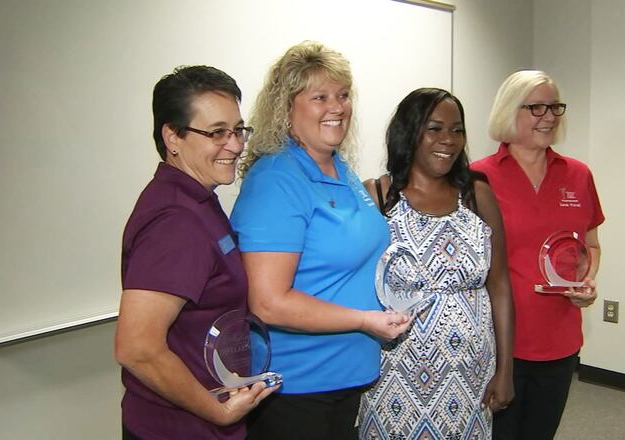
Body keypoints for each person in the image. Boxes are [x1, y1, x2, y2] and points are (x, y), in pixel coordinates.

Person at [229, 41, 411, 440]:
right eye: (320, 97)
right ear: (287, 106)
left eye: (343, 95)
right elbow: (268, 302)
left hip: (344, 376)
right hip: (296, 386)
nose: (337, 107)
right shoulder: (278, 179)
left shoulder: (337, 167)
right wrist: (365, 320)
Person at [114, 66, 278, 440]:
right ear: (173, 136)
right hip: (180, 429)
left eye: (238, 130)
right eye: (217, 132)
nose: (235, 145)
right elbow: (136, 348)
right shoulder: (177, 221)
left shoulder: (198, 200)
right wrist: (218, 413)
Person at [358, 88, 515, 439]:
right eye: (435, 128)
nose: (449, 139)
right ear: (409, 131)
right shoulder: (377, 197)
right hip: (395, 373)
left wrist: (506, 369)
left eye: (457, 130)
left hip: (470, 374)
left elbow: (500, 285)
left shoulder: (477, 195)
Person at [471, 70, 605, 440]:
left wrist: (586, 284)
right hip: (499, 343)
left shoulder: (578, 174)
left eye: (555, 107)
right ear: (509, 111)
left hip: (559, 341)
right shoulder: (476, 178)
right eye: (536, 108)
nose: (549, 116)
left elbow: (589, 246)